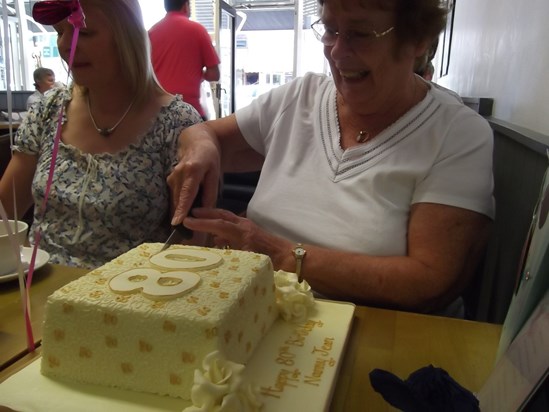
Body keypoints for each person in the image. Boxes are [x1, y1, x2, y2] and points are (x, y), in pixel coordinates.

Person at [168, 0, 495, 317]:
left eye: (361, 33)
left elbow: (429, 282)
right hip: (262, 315)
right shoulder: (299, 98)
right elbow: (203, 133)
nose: (337, 51)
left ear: (417, 39)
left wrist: (282, 255)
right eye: (330, 30)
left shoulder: (457, 133)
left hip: (381, 334)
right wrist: (200, 146)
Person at [0, 0, 202, 269]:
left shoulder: (176, 122)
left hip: (128, 298)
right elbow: (5, 209)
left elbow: (191, 242)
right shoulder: (49, 108)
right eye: (60, 32)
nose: (65, 45)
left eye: (84, 32)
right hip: (39, 293)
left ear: (127, 38)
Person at [149, 0, 220, 120]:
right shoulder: (197, 30)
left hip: (157, 113)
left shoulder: (151, 32)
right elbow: (214, 74)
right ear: (186, 6)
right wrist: (198, 74)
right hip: (189, 112)